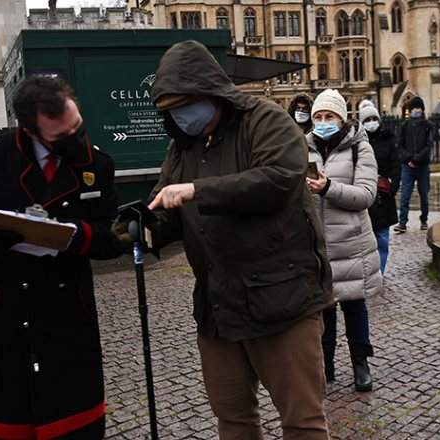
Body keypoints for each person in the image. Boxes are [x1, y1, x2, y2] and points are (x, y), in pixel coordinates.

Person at [142, 40, 333, 439]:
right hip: (219, 307)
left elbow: (280, 179)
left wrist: (199, 190)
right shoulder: (182, 147)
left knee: (302, 422)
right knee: (234, 421)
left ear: (211, 93)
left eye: (185, 104)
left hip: (283, 301)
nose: (180, 115)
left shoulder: (265, 119)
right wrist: (136, 228)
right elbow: (165, 208)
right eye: (171, 108)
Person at [0, 76, 123, 439]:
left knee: (71, 424)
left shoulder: (96, 164)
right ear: (30, 131)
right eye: (61, 137)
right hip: (2, 313)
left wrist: (72, 235)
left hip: (66, 315)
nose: (75, 140)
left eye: (77, 127)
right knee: (1, 422)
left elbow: (111, 234)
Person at [305, 90, 382, 392]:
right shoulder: (304, 147)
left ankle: (360, 364)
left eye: (329, 117)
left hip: (351, 243)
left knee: (354, 306)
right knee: (324, 310)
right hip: (318, 245)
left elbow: (365, 195)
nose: (323, 122)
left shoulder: (359, 148)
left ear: (341, 118)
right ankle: (326, 365)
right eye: (318, 117)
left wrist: (327, 188)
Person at [359, 100, 400, 273]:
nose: (371, 122)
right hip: (365, 196)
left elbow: (396, 165)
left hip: (384, 195)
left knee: (382, 237)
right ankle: (368, 271)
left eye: (374, 118)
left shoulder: (388, 141)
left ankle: (380, 272)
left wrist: (393, 187)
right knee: (365, 239)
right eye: (367, 119)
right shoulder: (358, 142)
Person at [394, 97, 433, 232]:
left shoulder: (428, 125)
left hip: (422, 166)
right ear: (410, 111)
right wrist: (410, 159)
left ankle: (424, 220)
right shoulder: (404, 125)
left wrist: (417, 159)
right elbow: (400, 145)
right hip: (407, 166)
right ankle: (402, 222)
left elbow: (428, 146)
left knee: (424, 195)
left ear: (422, 110)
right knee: (405, 195)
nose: (416, 110)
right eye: (414, 108)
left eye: (419, 108)